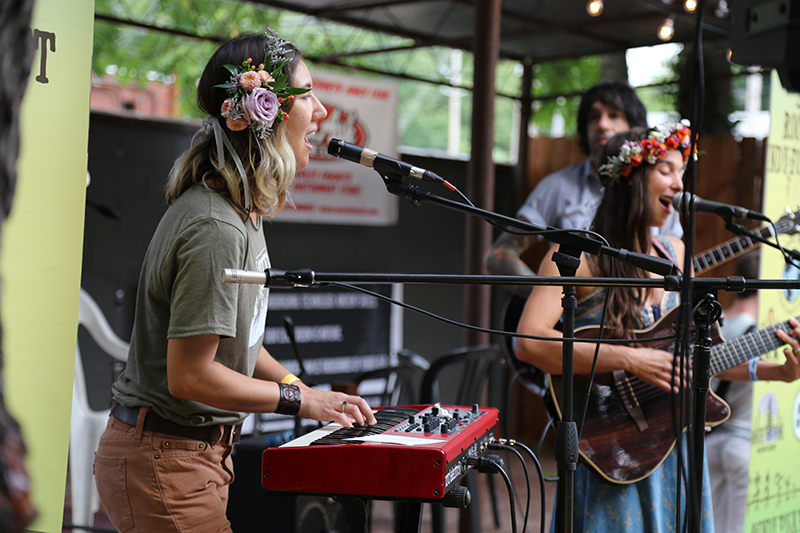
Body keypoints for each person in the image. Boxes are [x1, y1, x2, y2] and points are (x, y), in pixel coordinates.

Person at [94, 31, 377, 533]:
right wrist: (304, 402)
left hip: (187, 458)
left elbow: (240, 343)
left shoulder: (239, 211)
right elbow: (192, 376)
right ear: (264, 115)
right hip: (166, 461)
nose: (322, 111)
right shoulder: (217, 227)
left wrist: (300, 387)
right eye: (307, 94)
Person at [515, 124, 800, 532]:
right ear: (629, 176)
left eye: (681, 172)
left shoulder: (675, 253)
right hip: (609, 446)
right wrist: (630, 358)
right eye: (666, 169)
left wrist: (779, 372)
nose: (679, 183)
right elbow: (528, 343)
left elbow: (689, 362)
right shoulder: (576, 255)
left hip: (673, 447)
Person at [484, 81, 683, 298]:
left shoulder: (661, 196)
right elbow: (499, 255)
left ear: (636, 126)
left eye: (614, 115)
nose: (603, 124)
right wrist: (555, 304)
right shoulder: (557, 186)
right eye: (593, 117)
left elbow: (670, 272)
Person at [706, 251, 759, 533]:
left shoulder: (715, 322)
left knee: (711, 525)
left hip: (711, 438)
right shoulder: (764, 331)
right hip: (743, 440)